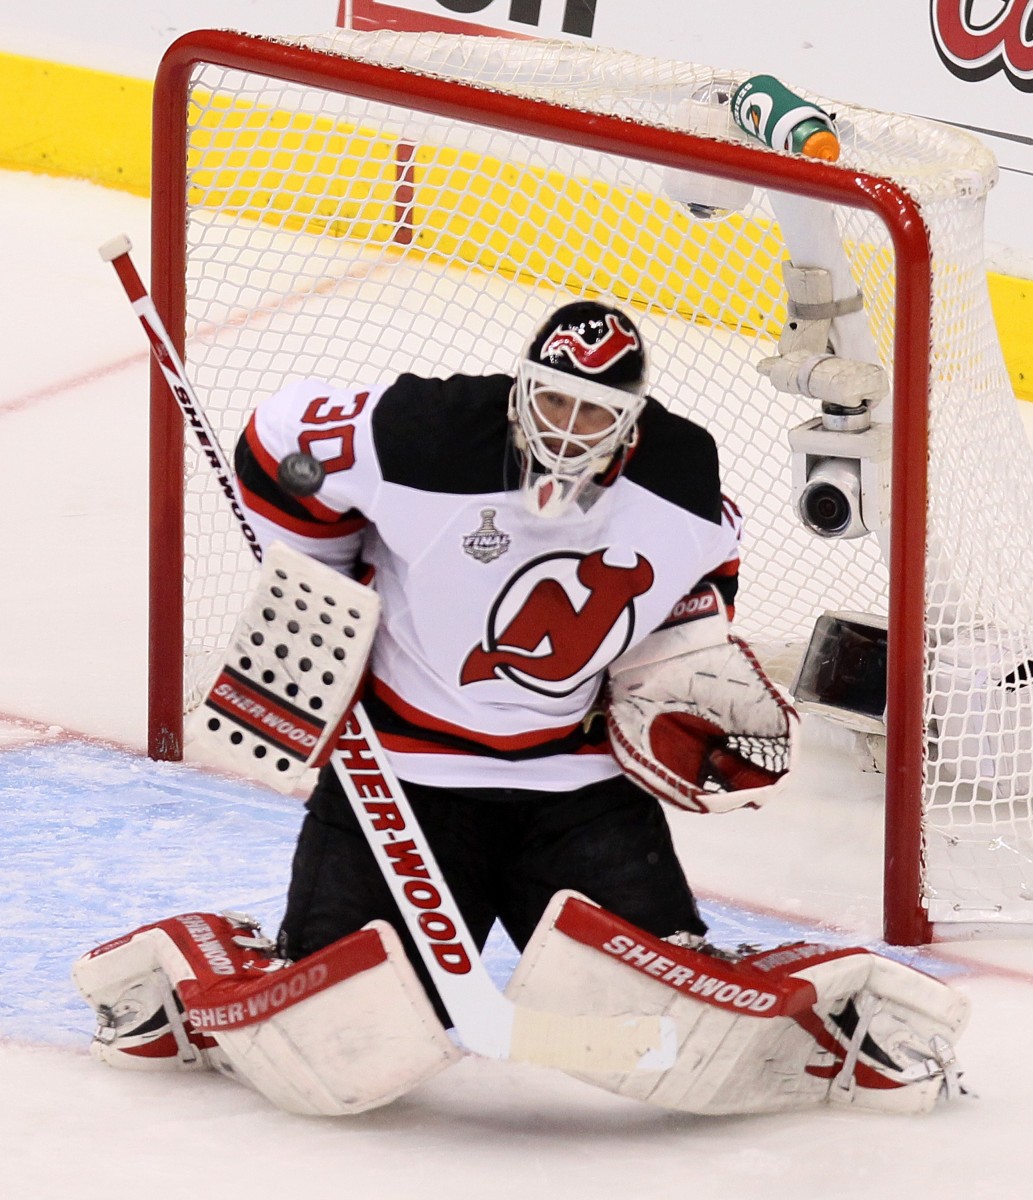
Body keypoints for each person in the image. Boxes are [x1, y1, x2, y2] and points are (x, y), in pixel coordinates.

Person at [231, 300, 744, 1024]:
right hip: (402, 780)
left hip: (580, 789)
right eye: (553, 398)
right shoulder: (428, 432)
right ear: (520, 388)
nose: (566, 427)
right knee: (342, 1020)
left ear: (633, 418)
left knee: (653, 1019)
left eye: (593, 412)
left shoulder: (677, 469)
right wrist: (325, 589)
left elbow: (710, 563)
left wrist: (674, 673)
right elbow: (276, 446)